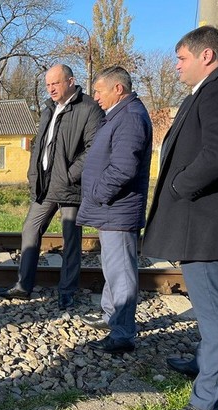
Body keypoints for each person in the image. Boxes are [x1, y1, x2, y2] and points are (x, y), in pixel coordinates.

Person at [142, 26, 218, 410]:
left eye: (182, 58)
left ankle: (206, 403)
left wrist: (180, 183)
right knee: (207, 307)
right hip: (199, 220)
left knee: (217, 313)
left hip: (207, 221)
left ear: (206, 56)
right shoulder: (210, 89)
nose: (177, 65)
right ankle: (205, 364)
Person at [0, 64, 104, 308]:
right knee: (30, 230)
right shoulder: (48, 108)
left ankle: (68, 291)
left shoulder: (89, 108)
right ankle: (23, 286)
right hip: (45, 184)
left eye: (55, 83)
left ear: (70, 81)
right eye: (47, 84)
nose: (51, 88)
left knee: (71, 239)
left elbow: (94, 150)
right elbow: (39, 145)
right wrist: (33, 173)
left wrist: (69, 174)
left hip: (71, 186)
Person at [76, 66, 152, 354]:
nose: (95, 97)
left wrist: (97, 193)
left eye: (99, 91)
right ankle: (111, 317)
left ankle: (122, 334)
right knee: (113, 268)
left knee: (121, 273)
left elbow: (123, 168)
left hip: (117, 209)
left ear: (118, 89)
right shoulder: (121, 115)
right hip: (111, 209)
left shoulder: (130, 117)